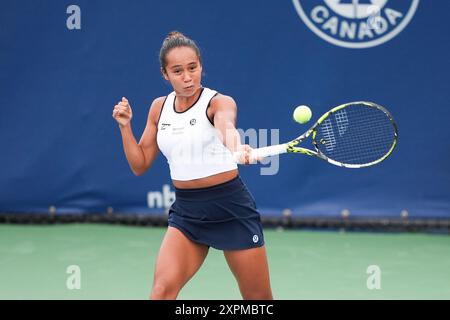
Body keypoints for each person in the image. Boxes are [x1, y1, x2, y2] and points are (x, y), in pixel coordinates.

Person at [112, 31, 272, 300]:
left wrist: (236, 147)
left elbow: (226, 125)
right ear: (165, 74)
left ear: (201, 66)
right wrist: (125, 127)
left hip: (231, 208)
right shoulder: (158, 108)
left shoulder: (218, 101)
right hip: (187, 213)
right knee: (161, 293)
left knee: (258, 301)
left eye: (192, 68)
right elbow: (139, 165)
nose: (187, 77)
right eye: (178, 71)